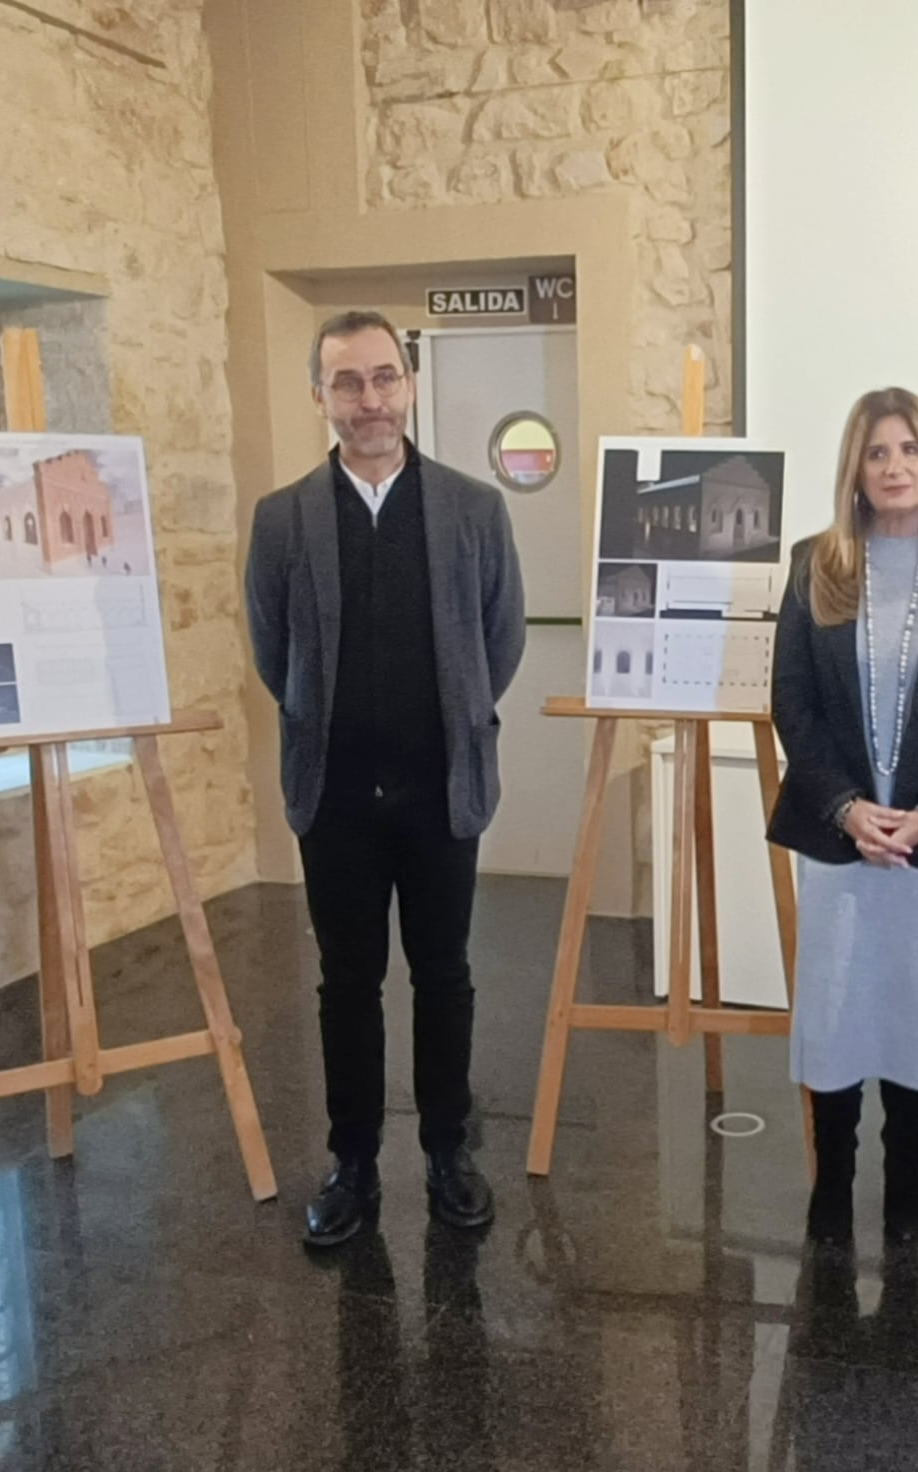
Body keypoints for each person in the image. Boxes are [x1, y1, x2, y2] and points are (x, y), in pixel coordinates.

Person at [244, 309, 525, 1249]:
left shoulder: (473, 509)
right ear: (318, 396)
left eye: (384, 377)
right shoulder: (282, 520)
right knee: (346, 981)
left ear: (408, 384)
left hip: (442, 789)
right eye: (347, 382)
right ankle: (353, 1162)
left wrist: (452, 717)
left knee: (445, 973)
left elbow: (502, 639)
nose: (369, 399)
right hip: (334, 797)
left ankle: (449, 1150)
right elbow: (273, 653)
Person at [764, 388, 918, 1247]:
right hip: (840, 839)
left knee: (914, 1004)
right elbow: (792, 703)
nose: (896, 466)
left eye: (909, 450)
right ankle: (833, 1177)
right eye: (878, 453)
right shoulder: (815, 563)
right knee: (836, 1010)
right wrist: (847, 808)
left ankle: (906, 1173)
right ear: (855, 472)